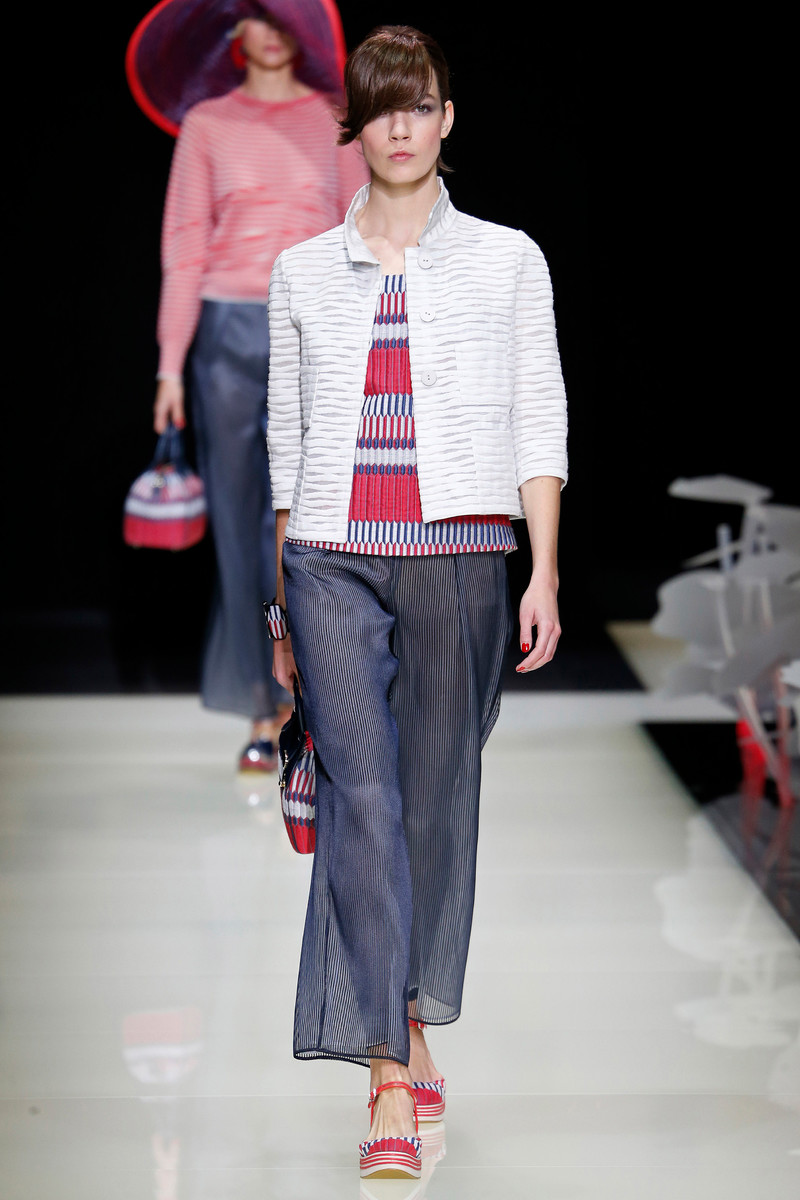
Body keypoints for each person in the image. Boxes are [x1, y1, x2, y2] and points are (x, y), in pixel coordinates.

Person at [266, 25, 567, 1180]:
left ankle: (408, 1021)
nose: (399, 126)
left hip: (459, 555)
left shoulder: (507, 260)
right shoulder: (301, 270)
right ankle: (389, 1073)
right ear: (354, 125)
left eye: (419, 104)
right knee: (362, 797)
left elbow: (537, 416)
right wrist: (281, 610)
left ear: (445, 119)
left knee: (434, 799)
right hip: (330, 560)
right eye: (380, 106)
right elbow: (286, 444)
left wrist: (542, 570)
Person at [126, 0, 368, 771]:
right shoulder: (207, 126)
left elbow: (359, 235)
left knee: (304, 528)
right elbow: (184, 247)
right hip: (225, 335)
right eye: (255, 14)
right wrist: (170, 363)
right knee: (236, 527)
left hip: (314, 332)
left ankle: (309, 698)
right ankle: (262, 709)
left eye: (281, 14)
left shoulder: (334, 120)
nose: (269, 30)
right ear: (234, 31)